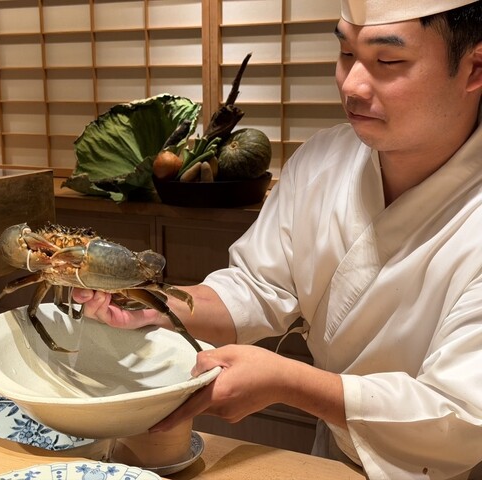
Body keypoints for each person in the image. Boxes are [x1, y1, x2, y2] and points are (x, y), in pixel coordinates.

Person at [72, 0, 482, 478]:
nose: (351, 84)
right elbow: (258, 287)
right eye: (347, 53)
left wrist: (290, 382)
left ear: (474, 68)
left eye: (387, 60)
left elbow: (461, 415)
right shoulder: (323, 158)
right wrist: (152, 305)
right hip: (336, 452)